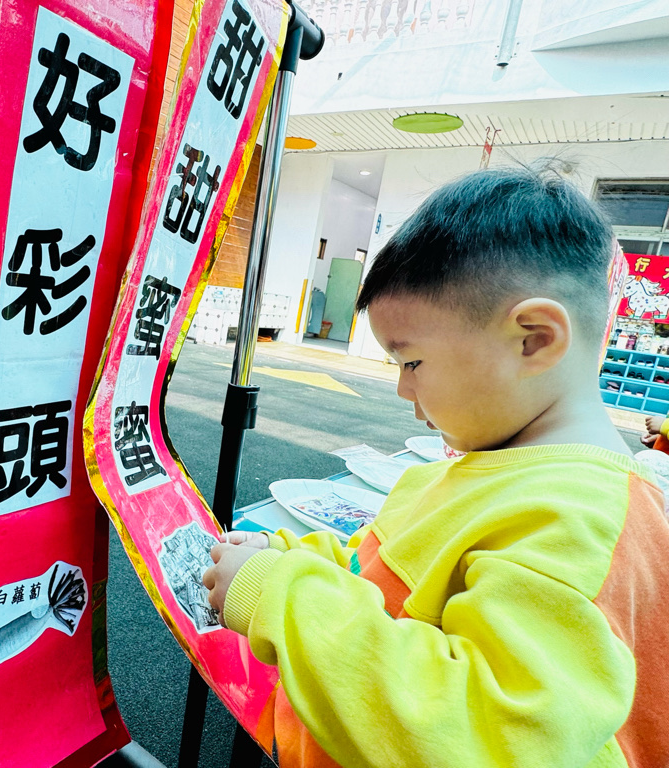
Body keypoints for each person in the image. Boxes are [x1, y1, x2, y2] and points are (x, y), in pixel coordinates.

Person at [203, 166, 669, 768]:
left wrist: (281, 594)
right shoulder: (489, 466)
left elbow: (486, 737)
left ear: (533, 339)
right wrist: (286, 554)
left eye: (412, 362)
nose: (402, 388)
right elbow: (380, 573)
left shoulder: (580, 523)